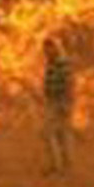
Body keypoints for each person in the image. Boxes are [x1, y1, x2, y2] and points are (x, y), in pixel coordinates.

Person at [41, 37, 74, 175]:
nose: (46, 51)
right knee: (61, 134)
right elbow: (50, 83)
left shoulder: (62, 63)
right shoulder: (51, 63)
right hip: (53, 101)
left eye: (48, 48)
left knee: (49, 133)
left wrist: (66, 103)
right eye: (45, 49)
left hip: (60, 102)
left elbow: (69, 83)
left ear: (55, 47)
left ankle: (57, 165)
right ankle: (64, 165)